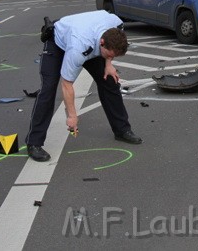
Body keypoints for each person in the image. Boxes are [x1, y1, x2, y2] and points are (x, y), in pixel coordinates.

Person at [25, 10, 142, 162]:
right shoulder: (77, 49)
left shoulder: (116, 25)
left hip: (88, 38)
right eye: (109, 55)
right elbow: (66, 84)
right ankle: (34, 143)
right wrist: (72, 115)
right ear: (102, 43)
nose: (111, 57)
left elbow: (111, 48)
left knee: (109, 80)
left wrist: (108, 63)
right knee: (48, 90)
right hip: (58, 43)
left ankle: (122, 130)